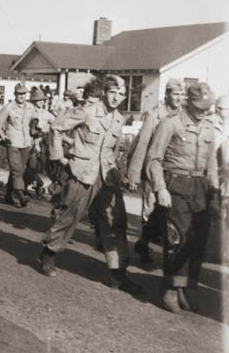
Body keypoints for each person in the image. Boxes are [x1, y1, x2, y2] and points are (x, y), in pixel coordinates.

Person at [41, 75, 143, 294]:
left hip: (106, 176)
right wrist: (59, 157)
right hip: (82, 172)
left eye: (121, 94)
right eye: (113, 92)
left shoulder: (118, 118)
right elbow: (56, 127)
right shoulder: (87, 111)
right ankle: (50, 251)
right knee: (71, 215)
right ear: (104, 92)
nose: (117, 97)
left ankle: (118, 274)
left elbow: (113, 150)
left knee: (116, 222)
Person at [145, 82, 218, 312]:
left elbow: (211, 163)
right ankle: (169, 288)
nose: (203, 111)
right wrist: (160, 189)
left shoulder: (208, 128)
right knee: (176, 239)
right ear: (188, 102)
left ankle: (183, 286)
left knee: (196, 241)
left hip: (200, 187)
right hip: (175, 185)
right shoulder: (170, 124)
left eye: (206, 107)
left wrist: (214, 192)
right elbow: (154, 159)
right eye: (199, 107)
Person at [125, 79, 185, 262]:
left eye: (182, 95)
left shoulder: (183, 117)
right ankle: (145, 244)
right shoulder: (155, 116)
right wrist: (134, 175)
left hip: (174, 174)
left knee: (167, 212)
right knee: (150, 208)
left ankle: (150, 242)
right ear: (166, 95)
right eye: (175, 94)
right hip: (154, 169)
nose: (179, 98)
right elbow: (142, 145)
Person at [0, 83, 37, 208]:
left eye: (24, 94)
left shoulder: (30, 107)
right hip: (12, 142)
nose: (21, 96)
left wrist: (35, 130)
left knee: (20, 170)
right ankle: (20, 193)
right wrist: (1, 138)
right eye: (19, 94)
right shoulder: (8, 107)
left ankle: (9, 193)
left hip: (26, 143)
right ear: (15, 94)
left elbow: (35, 122)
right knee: (16, 169)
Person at [25, 88, 55, 198]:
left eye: (43, 100)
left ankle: (35, 184)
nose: (42, 102)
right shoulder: (29, 111)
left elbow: (56, 123)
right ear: (34, 101)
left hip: (42, 142)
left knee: (38, 165)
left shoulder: (47, 114)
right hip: (29, 141)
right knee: (30, 164)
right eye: (39, 100)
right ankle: (37, 184)